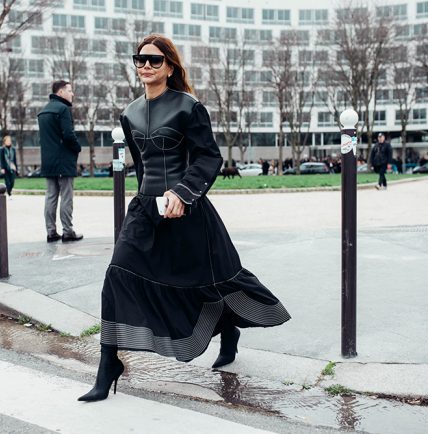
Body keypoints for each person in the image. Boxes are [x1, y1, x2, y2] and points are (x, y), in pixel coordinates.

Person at [78, 35, 290, 402]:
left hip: (187, 209)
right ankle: (108, 363)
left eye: (154, 60)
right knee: (117, 275)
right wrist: (146, 203)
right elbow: (141, 166)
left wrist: (182, 193)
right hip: (145, 211)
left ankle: (229, 330)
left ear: (170, 66)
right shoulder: (129, 113)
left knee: (208, 282)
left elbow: (208, 157)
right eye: (140, 59)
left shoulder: (189, 107)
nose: (146, 65)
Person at [37, 80, 83, 243]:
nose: (72, 94)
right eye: (70, 91)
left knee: (50, 196)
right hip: (63, 160)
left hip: (48, 161)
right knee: (66, 197)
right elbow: (68, 135)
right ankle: (67, 231)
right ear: (61, 92)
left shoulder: (43, 112)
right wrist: (78, 148)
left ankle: (51, 232)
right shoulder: (63, 109)